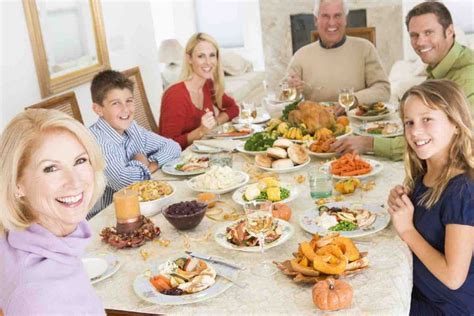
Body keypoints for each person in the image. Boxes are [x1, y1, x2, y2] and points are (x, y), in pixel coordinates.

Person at [333, 1, 474, 160]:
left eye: (428, 33)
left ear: (449, 31)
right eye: (414, 35)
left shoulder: (467, 77)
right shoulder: (439, 67)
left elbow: (439, 141)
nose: (420, 42)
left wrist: (369, 143)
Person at [0, 109, 107, 314]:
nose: (75, 182)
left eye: (80, 161)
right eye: (50, 168)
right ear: (16, 184)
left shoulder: (17, 238)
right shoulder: (40, 296)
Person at [387, 80, 474, 315]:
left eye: (427, 119)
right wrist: (402, 203)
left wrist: (407, 231)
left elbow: (453, 277)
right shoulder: (424, 174)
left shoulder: (462, 190)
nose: (415, 131)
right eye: (409, 122)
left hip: (445, 307)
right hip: (419, 289)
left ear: (455, 123)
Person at [89, 70, 181, 218]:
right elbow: (124, 184)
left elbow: (173, 147)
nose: (125, 109)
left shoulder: (132, 128)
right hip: (105, 216)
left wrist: (150, 165)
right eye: (115, 103)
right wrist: (140, 163)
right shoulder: (97, 142)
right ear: (98, 109)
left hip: (137, 207)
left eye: (129, 101)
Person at [287, 0, 390, 105]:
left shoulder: (365, 48)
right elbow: (283, 94)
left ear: (345, 19)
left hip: (356, 120)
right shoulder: (301, 55)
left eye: (337, 15)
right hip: (316, 120)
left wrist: (354, 99)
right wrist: (294, 89)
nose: (332, 22)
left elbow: (383, 89)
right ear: (316, 20)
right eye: (325, 16)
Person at [159, 32, 240, 149]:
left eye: (212, 55)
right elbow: (167, 146)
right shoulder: (175, 96)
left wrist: (216, 122)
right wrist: (201, 131)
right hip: (178, 161)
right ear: (189, 59)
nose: (208, 62)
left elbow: (234, 108)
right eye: (201, 56)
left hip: (202, 153)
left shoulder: (208, 85)